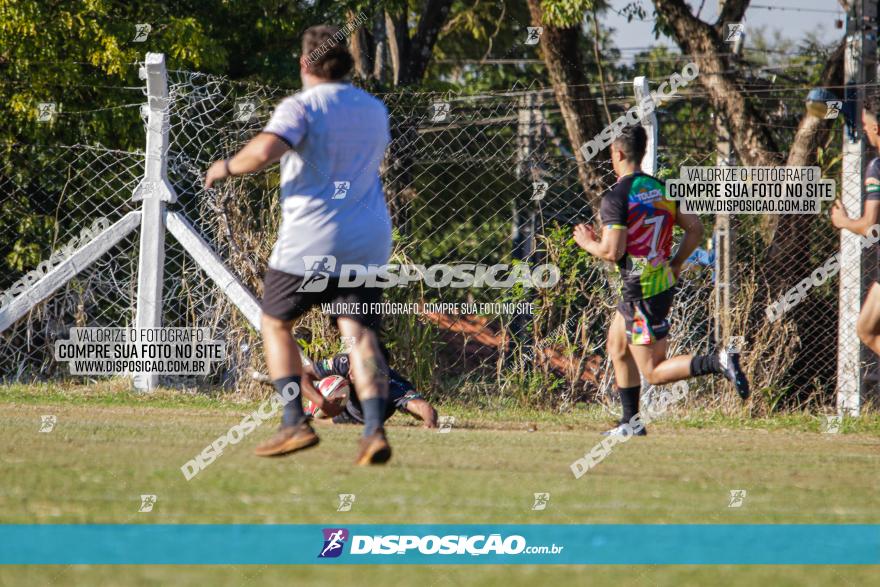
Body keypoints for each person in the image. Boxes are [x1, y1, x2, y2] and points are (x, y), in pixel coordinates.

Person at [204, 25, 393, 465]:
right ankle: (373, 431)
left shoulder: (302, 105)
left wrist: (227, 166)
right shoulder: (373, 109)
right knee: (358, 333)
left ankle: (294, 422)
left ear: (305, 63)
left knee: (275, 324)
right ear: (346, 63)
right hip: (367, 238)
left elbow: (266, 150)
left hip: (312, 239)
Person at [572, 125, 749, 436]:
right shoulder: (662, 189)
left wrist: (587, 242)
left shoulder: (617, 197)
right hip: (658, 284)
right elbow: (694, 228)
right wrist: (677, 263)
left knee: (652, 370)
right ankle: (631, 423)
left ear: (618, 153)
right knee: (617, 345)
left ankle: (717, 360)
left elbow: (613, 251)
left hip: (640, 293)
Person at [831, 91, 880, 356]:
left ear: (876, 127)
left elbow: (870, 227)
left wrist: (843, 221)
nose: (864, 132)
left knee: (866, 330)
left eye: (864, 126)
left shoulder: (877, 167)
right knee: (866, 328)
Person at [303, 352, 438, 428]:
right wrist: (321, 402)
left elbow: (422, 407)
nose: (351, 373)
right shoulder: (343, 363)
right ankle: (310, 412)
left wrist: (429, 422)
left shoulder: (391, 384)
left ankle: (316, 418)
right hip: (327, 410)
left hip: (356, 421)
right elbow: (302, 375)